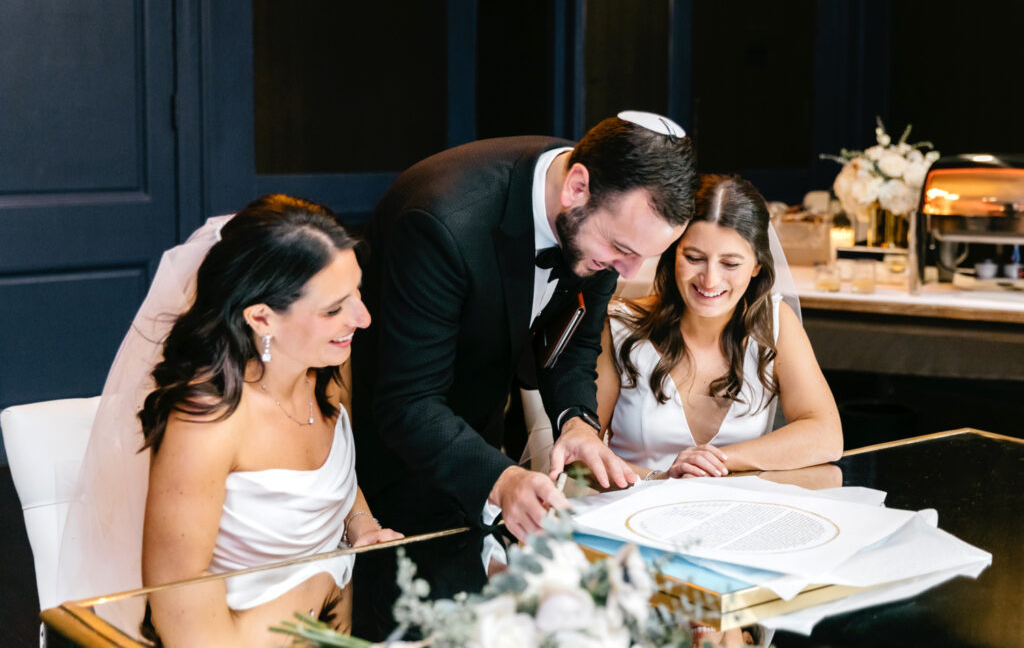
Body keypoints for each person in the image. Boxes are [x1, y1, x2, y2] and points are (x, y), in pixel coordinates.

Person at [350, 112, 698, 637]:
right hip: (393, 476)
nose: (629, 274)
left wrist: (577, 422)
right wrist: (502, 478)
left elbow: (576, 344)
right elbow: (407, 403)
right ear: (576, 186)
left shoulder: (598, 212)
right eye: (624, 251)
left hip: (484, 450)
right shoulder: (442, 219)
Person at [59, 195, 401, 647]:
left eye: (358, 292)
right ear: (262, 318)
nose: (362, 317)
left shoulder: (326, 367)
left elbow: (334, 477)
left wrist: (362, 524)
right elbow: (181, 619)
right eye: (333, 309)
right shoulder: (207, 422)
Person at [596, 175, 842, 479]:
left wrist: (716, 461)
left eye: (730, 264)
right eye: (695, 258)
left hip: (733, 517)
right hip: (628, 514)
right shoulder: (620, 326)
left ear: (756, 267)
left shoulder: (775, 322)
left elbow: (827, 436)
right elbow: (579, 458)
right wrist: (659, 479)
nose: (710, 280)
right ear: (672, 255)